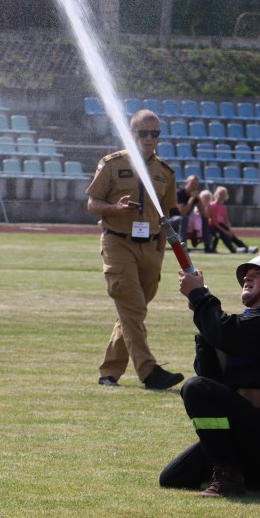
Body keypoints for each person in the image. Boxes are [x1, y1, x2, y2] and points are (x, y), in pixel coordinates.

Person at [176, 253, 260, 497]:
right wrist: (202, 316)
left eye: (257, 274)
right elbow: (213, 378)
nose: (246, 278)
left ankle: (229, 477)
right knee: (175, 478)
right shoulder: (254, 321)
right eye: (245, 275)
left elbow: (228, 335)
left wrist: (200, 298)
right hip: (249, 428)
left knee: (195, 387)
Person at [85, 109, 185, 391]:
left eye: (155, 134)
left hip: (151, 246)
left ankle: (109, 372)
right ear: (131, 134)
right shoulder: (112, 164)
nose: (150, 139)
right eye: (144, 133)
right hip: (118, 242)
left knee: (132, 312)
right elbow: (92, 203)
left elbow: (166, 214)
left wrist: (160, 251)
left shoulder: (165, 171)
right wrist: (115, 208)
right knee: (133, 307)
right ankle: (149, 371)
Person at [207, 186, 258, 254]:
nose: (221, 196)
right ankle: (233, 249)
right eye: (220, 194)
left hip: (221, 225)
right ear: (216, 194)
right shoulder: (212, 205)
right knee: (224, 235)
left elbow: (226, 220)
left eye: (223, 195)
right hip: (214, 226)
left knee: (232, 236)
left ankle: (246, 248)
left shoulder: (223, 207)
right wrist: (225, 231)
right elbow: (213, 222)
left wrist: (229, 230)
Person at [172, 175, 214, 253]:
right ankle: (183, 245)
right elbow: (183, 212)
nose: (194, 186)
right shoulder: (179, 193)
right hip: (172, 221)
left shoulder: (194, 195)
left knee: (204, 219)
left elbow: (203, 213)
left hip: (185, 221)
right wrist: (191, 198)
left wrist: (199, 199)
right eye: (192, 183)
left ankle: (208, 246)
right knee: (184, 218)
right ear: (187, 183)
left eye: (196, 184)